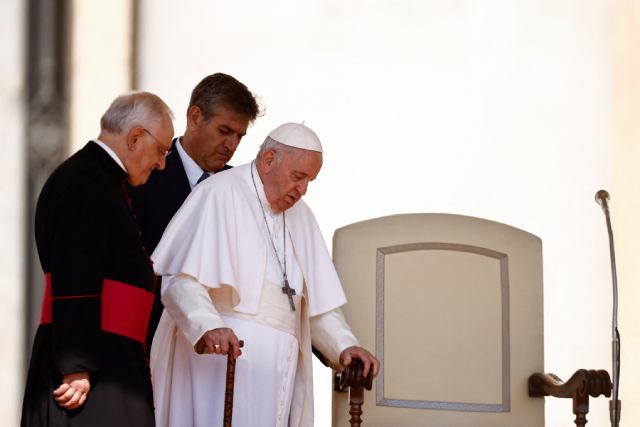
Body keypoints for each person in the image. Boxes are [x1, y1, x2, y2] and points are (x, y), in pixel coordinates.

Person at [150, 122, 380, 427]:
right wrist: (209, 325)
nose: (302, 190)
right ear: (269, 159)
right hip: (217, 371)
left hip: (277, 378)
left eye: (310, 180)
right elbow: (180, 279)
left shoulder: (302, 217)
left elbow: (316, 307)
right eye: (298, 177)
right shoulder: (219, 193)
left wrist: (344, 346)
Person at [21, 92, 174, 427]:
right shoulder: (87, 182)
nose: (162, 163)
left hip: (105, 359)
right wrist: (76, 365)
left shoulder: (99, 179)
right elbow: (75, 272)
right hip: (90, 370)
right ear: (135, 137)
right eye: (162, 150)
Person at [127, 73, 260, 350]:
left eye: (239, 136)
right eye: (225, 131)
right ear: (195, 117)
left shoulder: (244, 190)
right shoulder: (142, 177)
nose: (232, 145)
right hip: (149, 344)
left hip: (220, 352)